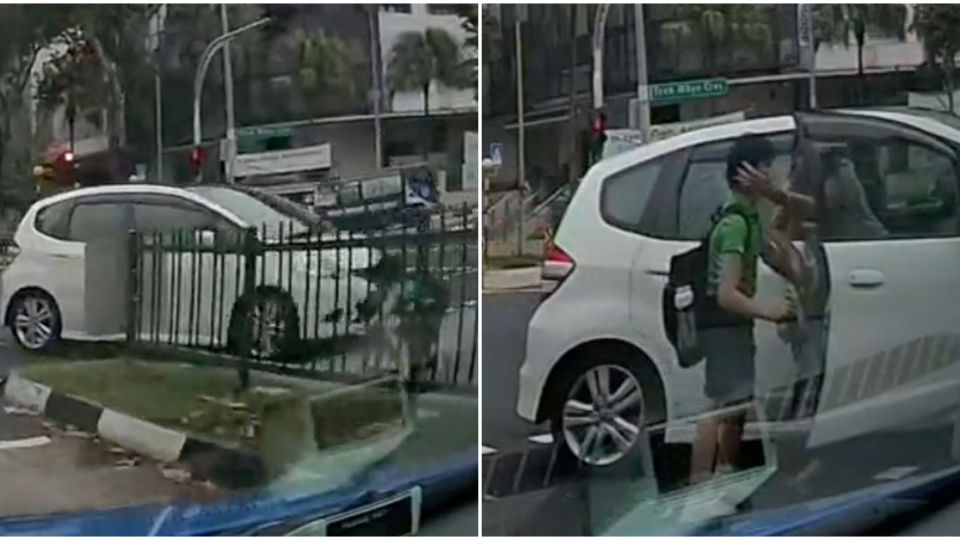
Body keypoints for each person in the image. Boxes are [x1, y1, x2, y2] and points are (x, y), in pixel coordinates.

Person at [689, 135, 808, 485]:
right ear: (747, 172)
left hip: (733, 327)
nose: (772, 176)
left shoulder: (749, 218)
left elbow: (774, 255)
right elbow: (726, 293)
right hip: (723, 326)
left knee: (734, 405)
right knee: (718, 408)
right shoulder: (735, 224)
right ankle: (698, 488)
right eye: (767, 168)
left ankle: (724, 477)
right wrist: (768, 311)